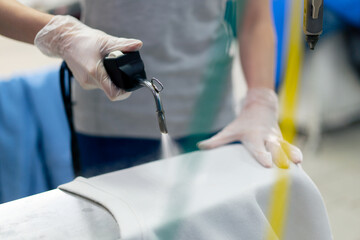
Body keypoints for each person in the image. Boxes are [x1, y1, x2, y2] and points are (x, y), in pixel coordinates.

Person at [0, 0, 302, 176]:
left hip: (214, 122)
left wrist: (260, 98)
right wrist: (59, 33)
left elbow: (255, 19)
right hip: (110, 124)